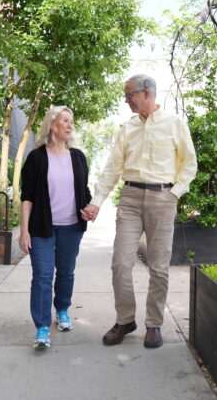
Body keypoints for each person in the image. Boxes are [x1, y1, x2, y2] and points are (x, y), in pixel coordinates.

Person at [81, 75, 197, 349]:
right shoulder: (127, 128)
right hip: (130, 197)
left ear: (146, 93)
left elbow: (189, 164)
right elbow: (112, 168)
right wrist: (97, 201)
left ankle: (154, 324)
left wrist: (174, 193)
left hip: (162, 197)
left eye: (129, 94)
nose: (126, 99)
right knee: (120, 263)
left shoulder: (174, 123)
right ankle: (125, 320)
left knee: (159, 266)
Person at [19, 106, 92, 349]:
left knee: (66, 272)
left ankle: (62, 309)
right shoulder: (37, 157)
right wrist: (24, 231)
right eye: (64, 120)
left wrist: (88, 208)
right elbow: (27, 196)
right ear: (52, 125)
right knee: (42, 276)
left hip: (72, 227)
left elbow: (85, 192)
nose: (69, 125)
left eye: (71, 121)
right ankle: (42, 326)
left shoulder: (78, 157)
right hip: (42, 228)